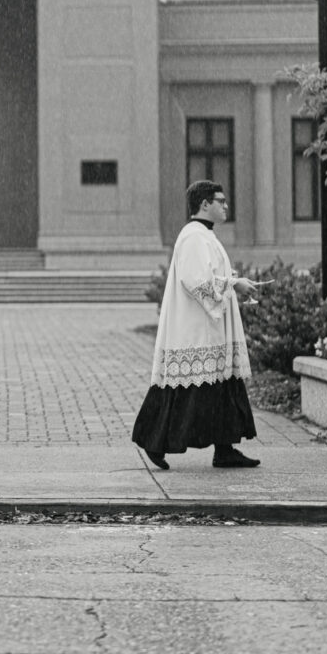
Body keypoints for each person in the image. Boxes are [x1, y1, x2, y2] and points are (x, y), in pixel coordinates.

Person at [131, 180, 260, 470]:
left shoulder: (204, 236)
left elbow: (210, 274)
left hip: (211, 329)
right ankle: (152, 440)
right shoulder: (193, 237)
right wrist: (233, 284)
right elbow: (196, 280)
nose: (226, 206)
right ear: (204, 204)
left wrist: (232, 280)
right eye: (221, 201)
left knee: (222, 386)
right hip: (196, 331)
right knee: (183, 391)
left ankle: (225, 449)